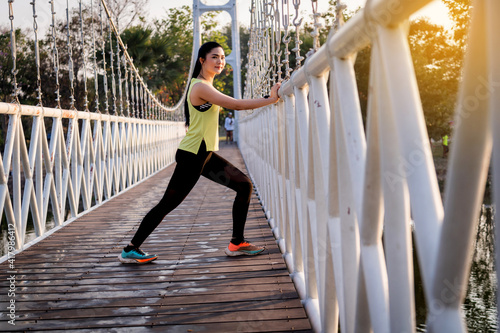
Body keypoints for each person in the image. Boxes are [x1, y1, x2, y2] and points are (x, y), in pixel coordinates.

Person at [118, 41, 281, 264]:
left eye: (223, 57)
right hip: (192, 155)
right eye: (214, 57)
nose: (220, 61)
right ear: (202, 60)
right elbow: (236, 105)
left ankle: (237, 243)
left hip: (204, 155)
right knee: (167, 204)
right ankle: (131, 248)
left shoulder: (207, 86)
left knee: (244, 185)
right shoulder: (200, 87)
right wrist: (270, 99)